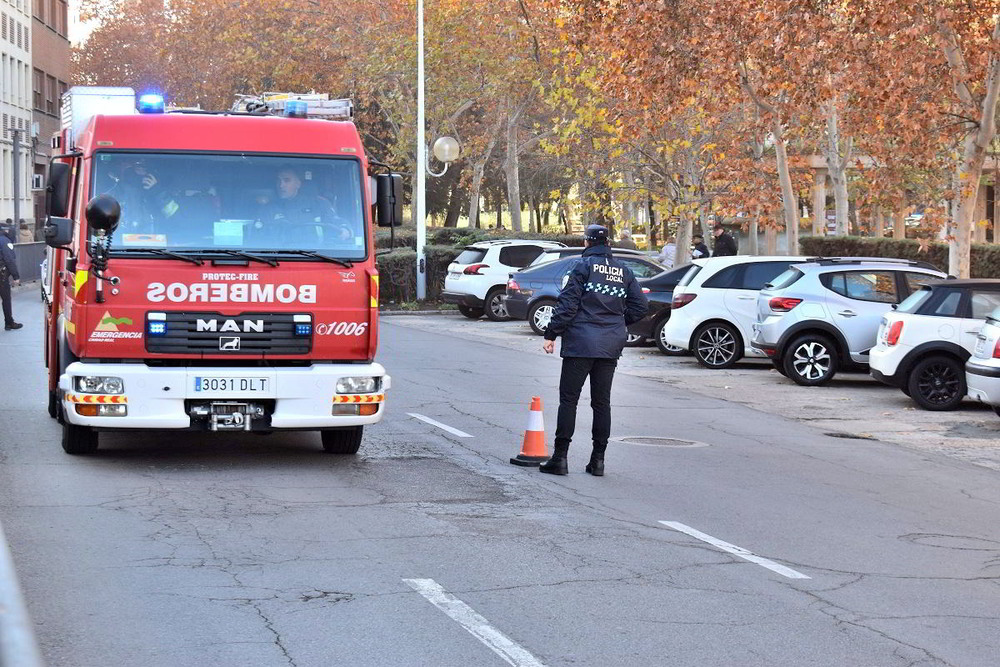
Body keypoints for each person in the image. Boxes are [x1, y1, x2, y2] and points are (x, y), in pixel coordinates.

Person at [540, 225, 648, 476]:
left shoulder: (582, 267)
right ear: (608, 242)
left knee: (569, 400)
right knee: (602, 403)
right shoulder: (623, 270)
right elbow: (640, 306)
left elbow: (567, 304)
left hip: (580, 343)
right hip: (610, 344)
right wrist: (617, 323)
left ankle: (560, 458)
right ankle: (598, 461)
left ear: (587, 243)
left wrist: (551, 333)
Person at [258, 166, 338, 245]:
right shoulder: (268, 209)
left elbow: (337, 223)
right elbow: (258, 239)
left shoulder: (319, 204)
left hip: (316, 256)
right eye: (278, 181)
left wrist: (346, 229)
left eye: (287, 180)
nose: (281, 185)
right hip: (276, 256)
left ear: (298, 184)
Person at [1, 223, 22, 331]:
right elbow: (9, 260)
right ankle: (9, 322)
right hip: (2, 276)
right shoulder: (5, 241)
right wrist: (16, 276)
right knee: (6, 299)